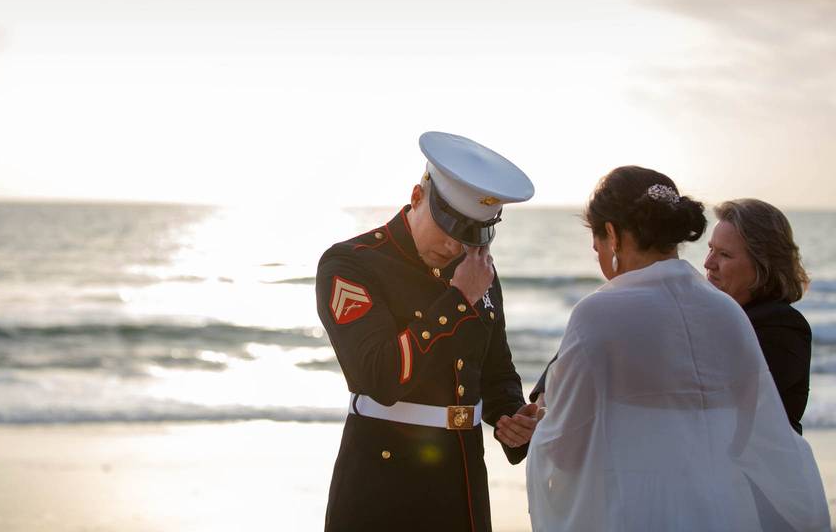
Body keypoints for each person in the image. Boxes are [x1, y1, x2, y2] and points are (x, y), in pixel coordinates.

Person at [526, 166, 829, 532]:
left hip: (636, 509)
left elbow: (565, 451)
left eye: (597, 247)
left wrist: (544, 422)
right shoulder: (726, 311)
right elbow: (747, 429)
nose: (599, 256)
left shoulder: (597, 313)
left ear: (612, 234)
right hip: (720, 510)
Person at [316, 131, 539, 532]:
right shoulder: (351, 264)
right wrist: (458, 300)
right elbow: (379, 377)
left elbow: (496, 372)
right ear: (418, 196)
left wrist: (511, 420)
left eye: (470, 236)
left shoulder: (478, 273)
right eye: (447, 228)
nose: (455, 247)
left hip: (464, 477)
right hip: (382, 481)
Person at [705, 199, 812, 433]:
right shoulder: (727, 316)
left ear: (762, 265)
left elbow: (717, 400)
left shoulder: (783, 327)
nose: (709, 263)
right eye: (710, 248)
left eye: (724, 254)